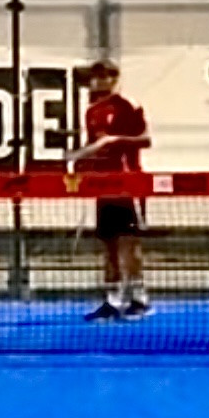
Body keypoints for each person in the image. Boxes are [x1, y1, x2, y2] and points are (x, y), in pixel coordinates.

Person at [72, 55, 152, 320]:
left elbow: (145, 139)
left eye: (104, 75)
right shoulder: (91, 112)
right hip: (103, 185)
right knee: (108, 245)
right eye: (95, 76)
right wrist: (82, 161)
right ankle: (112, 300)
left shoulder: (128, 106)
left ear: (114, 78)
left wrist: (114, 140)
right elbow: (92, 146)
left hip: (128, 183)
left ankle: (139, 298)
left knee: (129, 243)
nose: (98, 80)